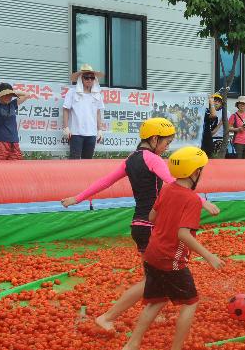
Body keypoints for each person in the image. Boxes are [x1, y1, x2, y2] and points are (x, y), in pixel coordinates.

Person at [60, 118, 220, 331]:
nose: (167, 147)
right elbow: (176, 184)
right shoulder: (152, 159)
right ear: (154, 139)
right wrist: (203, 202)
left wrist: (77, 198)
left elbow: (105, 181)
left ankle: (150, 311)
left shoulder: (131, 159)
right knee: (151, 279)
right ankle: (108, 317)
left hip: (139, 224)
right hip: (151, 226)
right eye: (166, 142)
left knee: (153, 277)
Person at [121, 147, 223, 350]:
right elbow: (183, 234)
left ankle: (132, 345)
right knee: (190, 302)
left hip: (152, 253)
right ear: (195, 172)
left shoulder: (167, 189)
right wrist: (209, 256)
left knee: (156, 301)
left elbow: (152, 216)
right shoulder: (192, 200)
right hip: (171, 260)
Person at [63, 64, 105, 159]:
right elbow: (65, 109)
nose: (89, 80)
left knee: (88, 162)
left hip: (91, 134)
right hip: (76, 133)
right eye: (86, 77)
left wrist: (100, 130)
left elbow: (97, 112)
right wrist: (65, 127)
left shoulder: (97, 94)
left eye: (92, 77)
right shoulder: (72, 92)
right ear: (81, 78)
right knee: (74, 161)